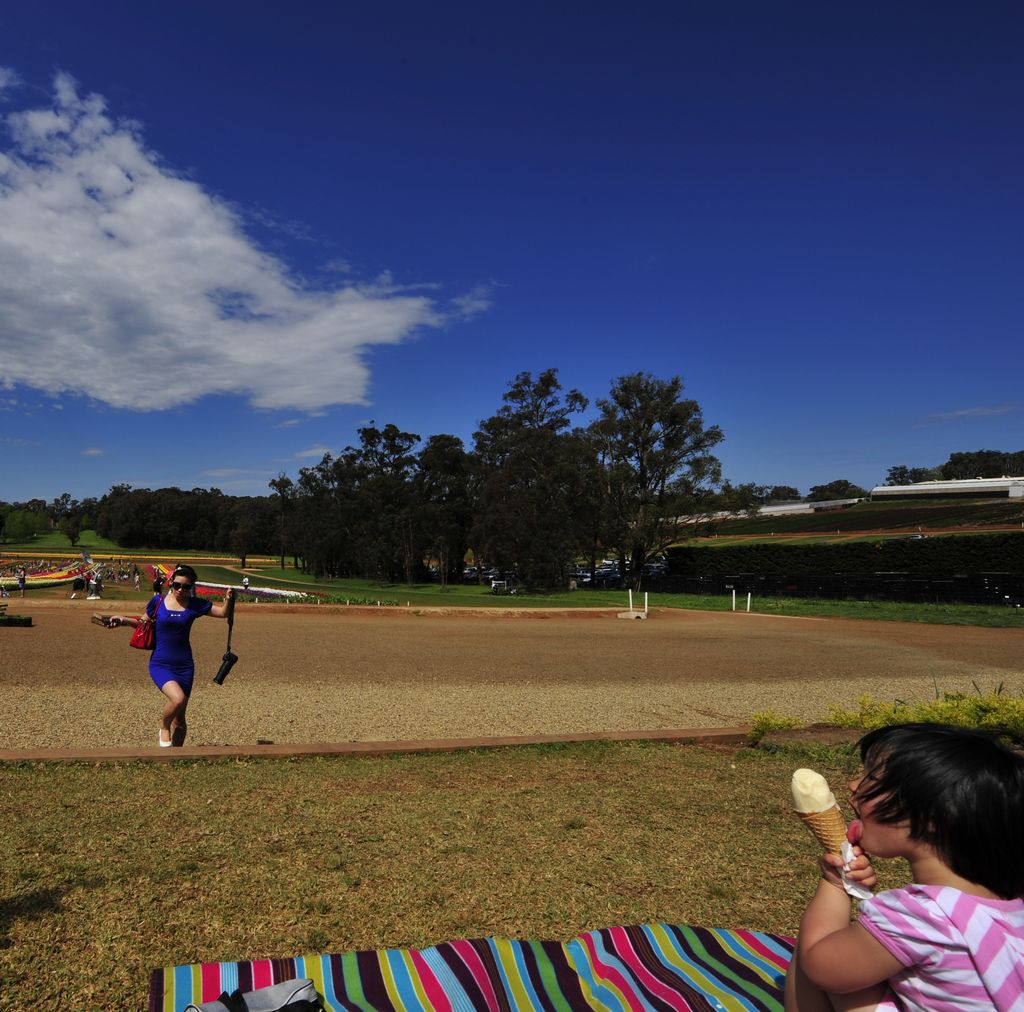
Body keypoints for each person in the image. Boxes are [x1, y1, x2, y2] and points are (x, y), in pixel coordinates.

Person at [786, 723, 1024, 1011]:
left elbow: (820, 966)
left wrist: (835, 885)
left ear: (932, 819)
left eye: (873, 777)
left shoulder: (922, 916)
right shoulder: (1012, 906)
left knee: (820, 948)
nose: (853, 785)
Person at [109, 564, 234, 748]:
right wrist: (122, 620)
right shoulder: (158, 602)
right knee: (178, 699)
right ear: (171, 583)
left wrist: (229, 599)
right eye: (177, 585)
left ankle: (175, 756)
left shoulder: (195, 604)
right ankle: (163, 726)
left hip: (184, 666)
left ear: (192, 587)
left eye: (186, 587)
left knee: (181, 720)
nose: (181, 590)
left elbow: (223, 613)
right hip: (161, 663)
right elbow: (142, 623)